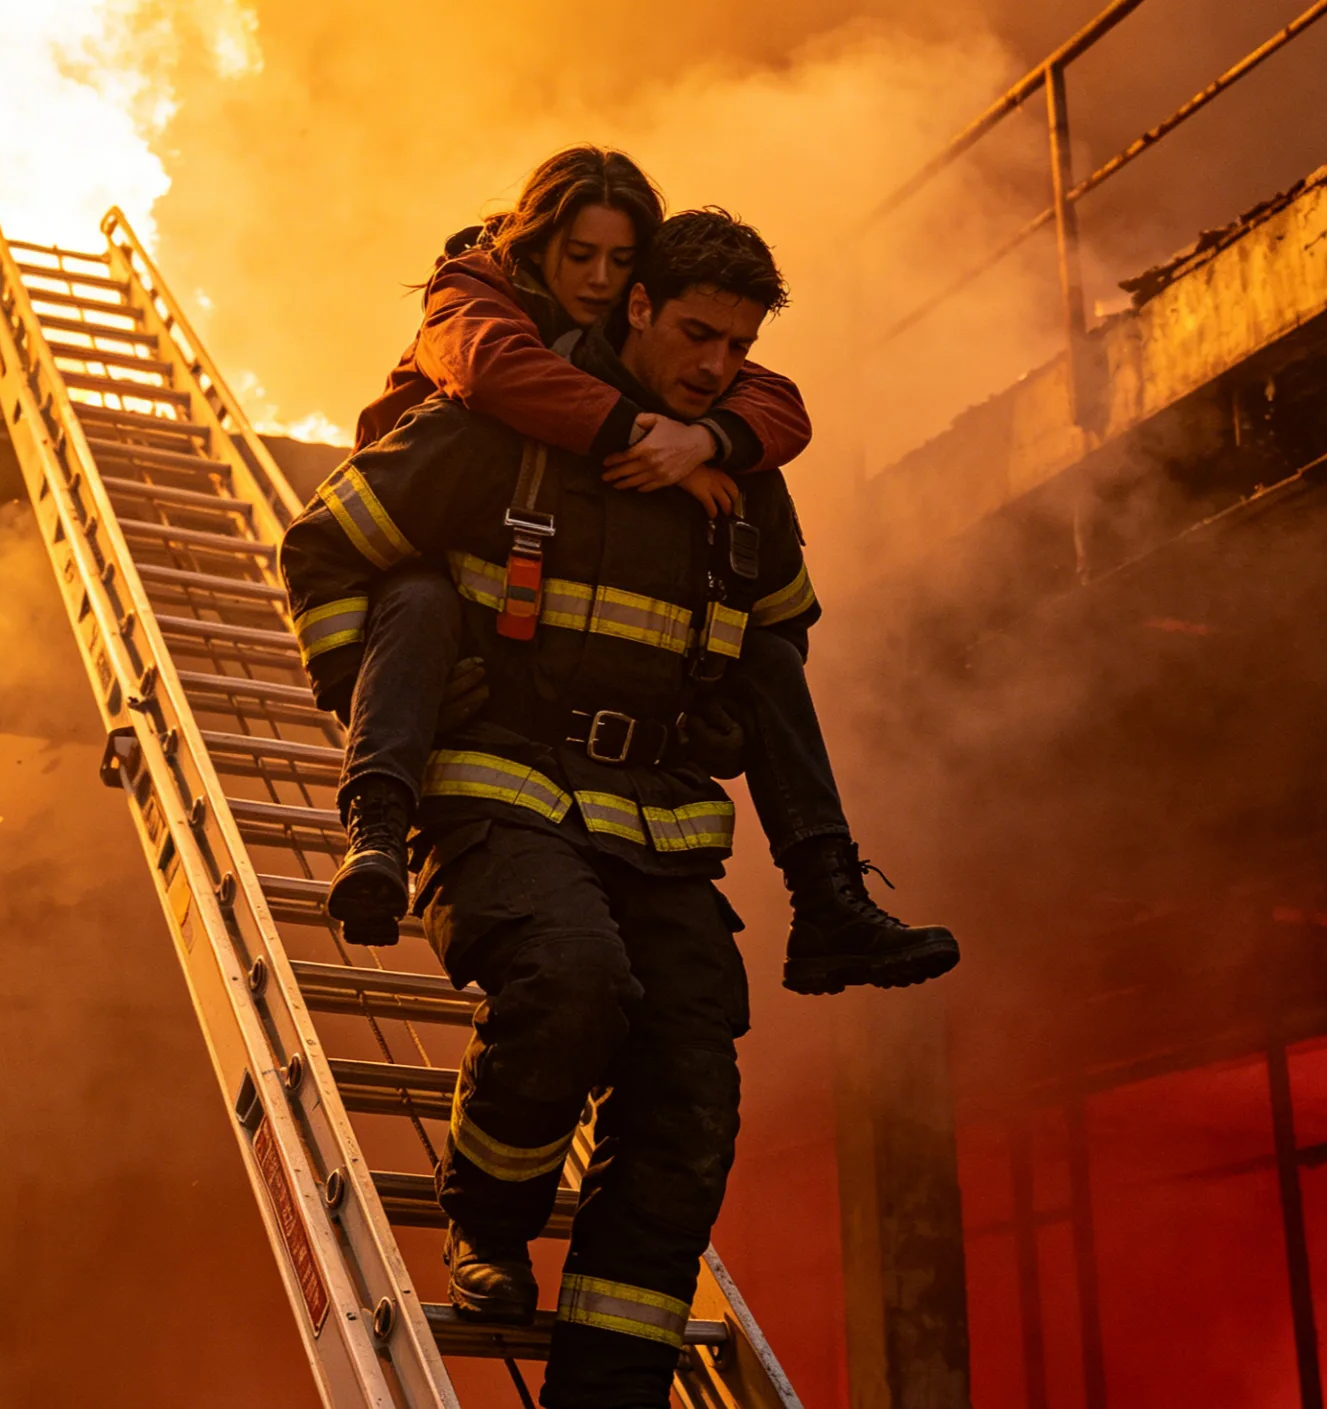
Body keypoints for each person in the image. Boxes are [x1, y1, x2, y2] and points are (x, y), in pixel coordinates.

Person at [282, 209, 903, 1407]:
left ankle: (607, 1388)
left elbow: (777, 646)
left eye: (739, 344)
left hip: (658, 823)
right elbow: (322, 548)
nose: (717, 364)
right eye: (694, 332)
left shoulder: (739, 475)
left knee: (688, 1095)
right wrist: (364, 697)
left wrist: (719, 472)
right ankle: (490, 1215)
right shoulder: (487, 437)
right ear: (630, 308)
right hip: (497, 793)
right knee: (571, 984)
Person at [312, 146, 956, 994]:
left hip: (635, 794)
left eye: (621, 261)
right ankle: (375, 829)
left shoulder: (674, 360)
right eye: (581, 256)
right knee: (420, 599)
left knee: (764, 657)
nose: (599, 278)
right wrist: (656, 441)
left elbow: (776, 400)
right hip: (432, 552)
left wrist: (712, 437)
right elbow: (497, 374)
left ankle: (827, 898)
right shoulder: (474, 304)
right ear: (534, 243)